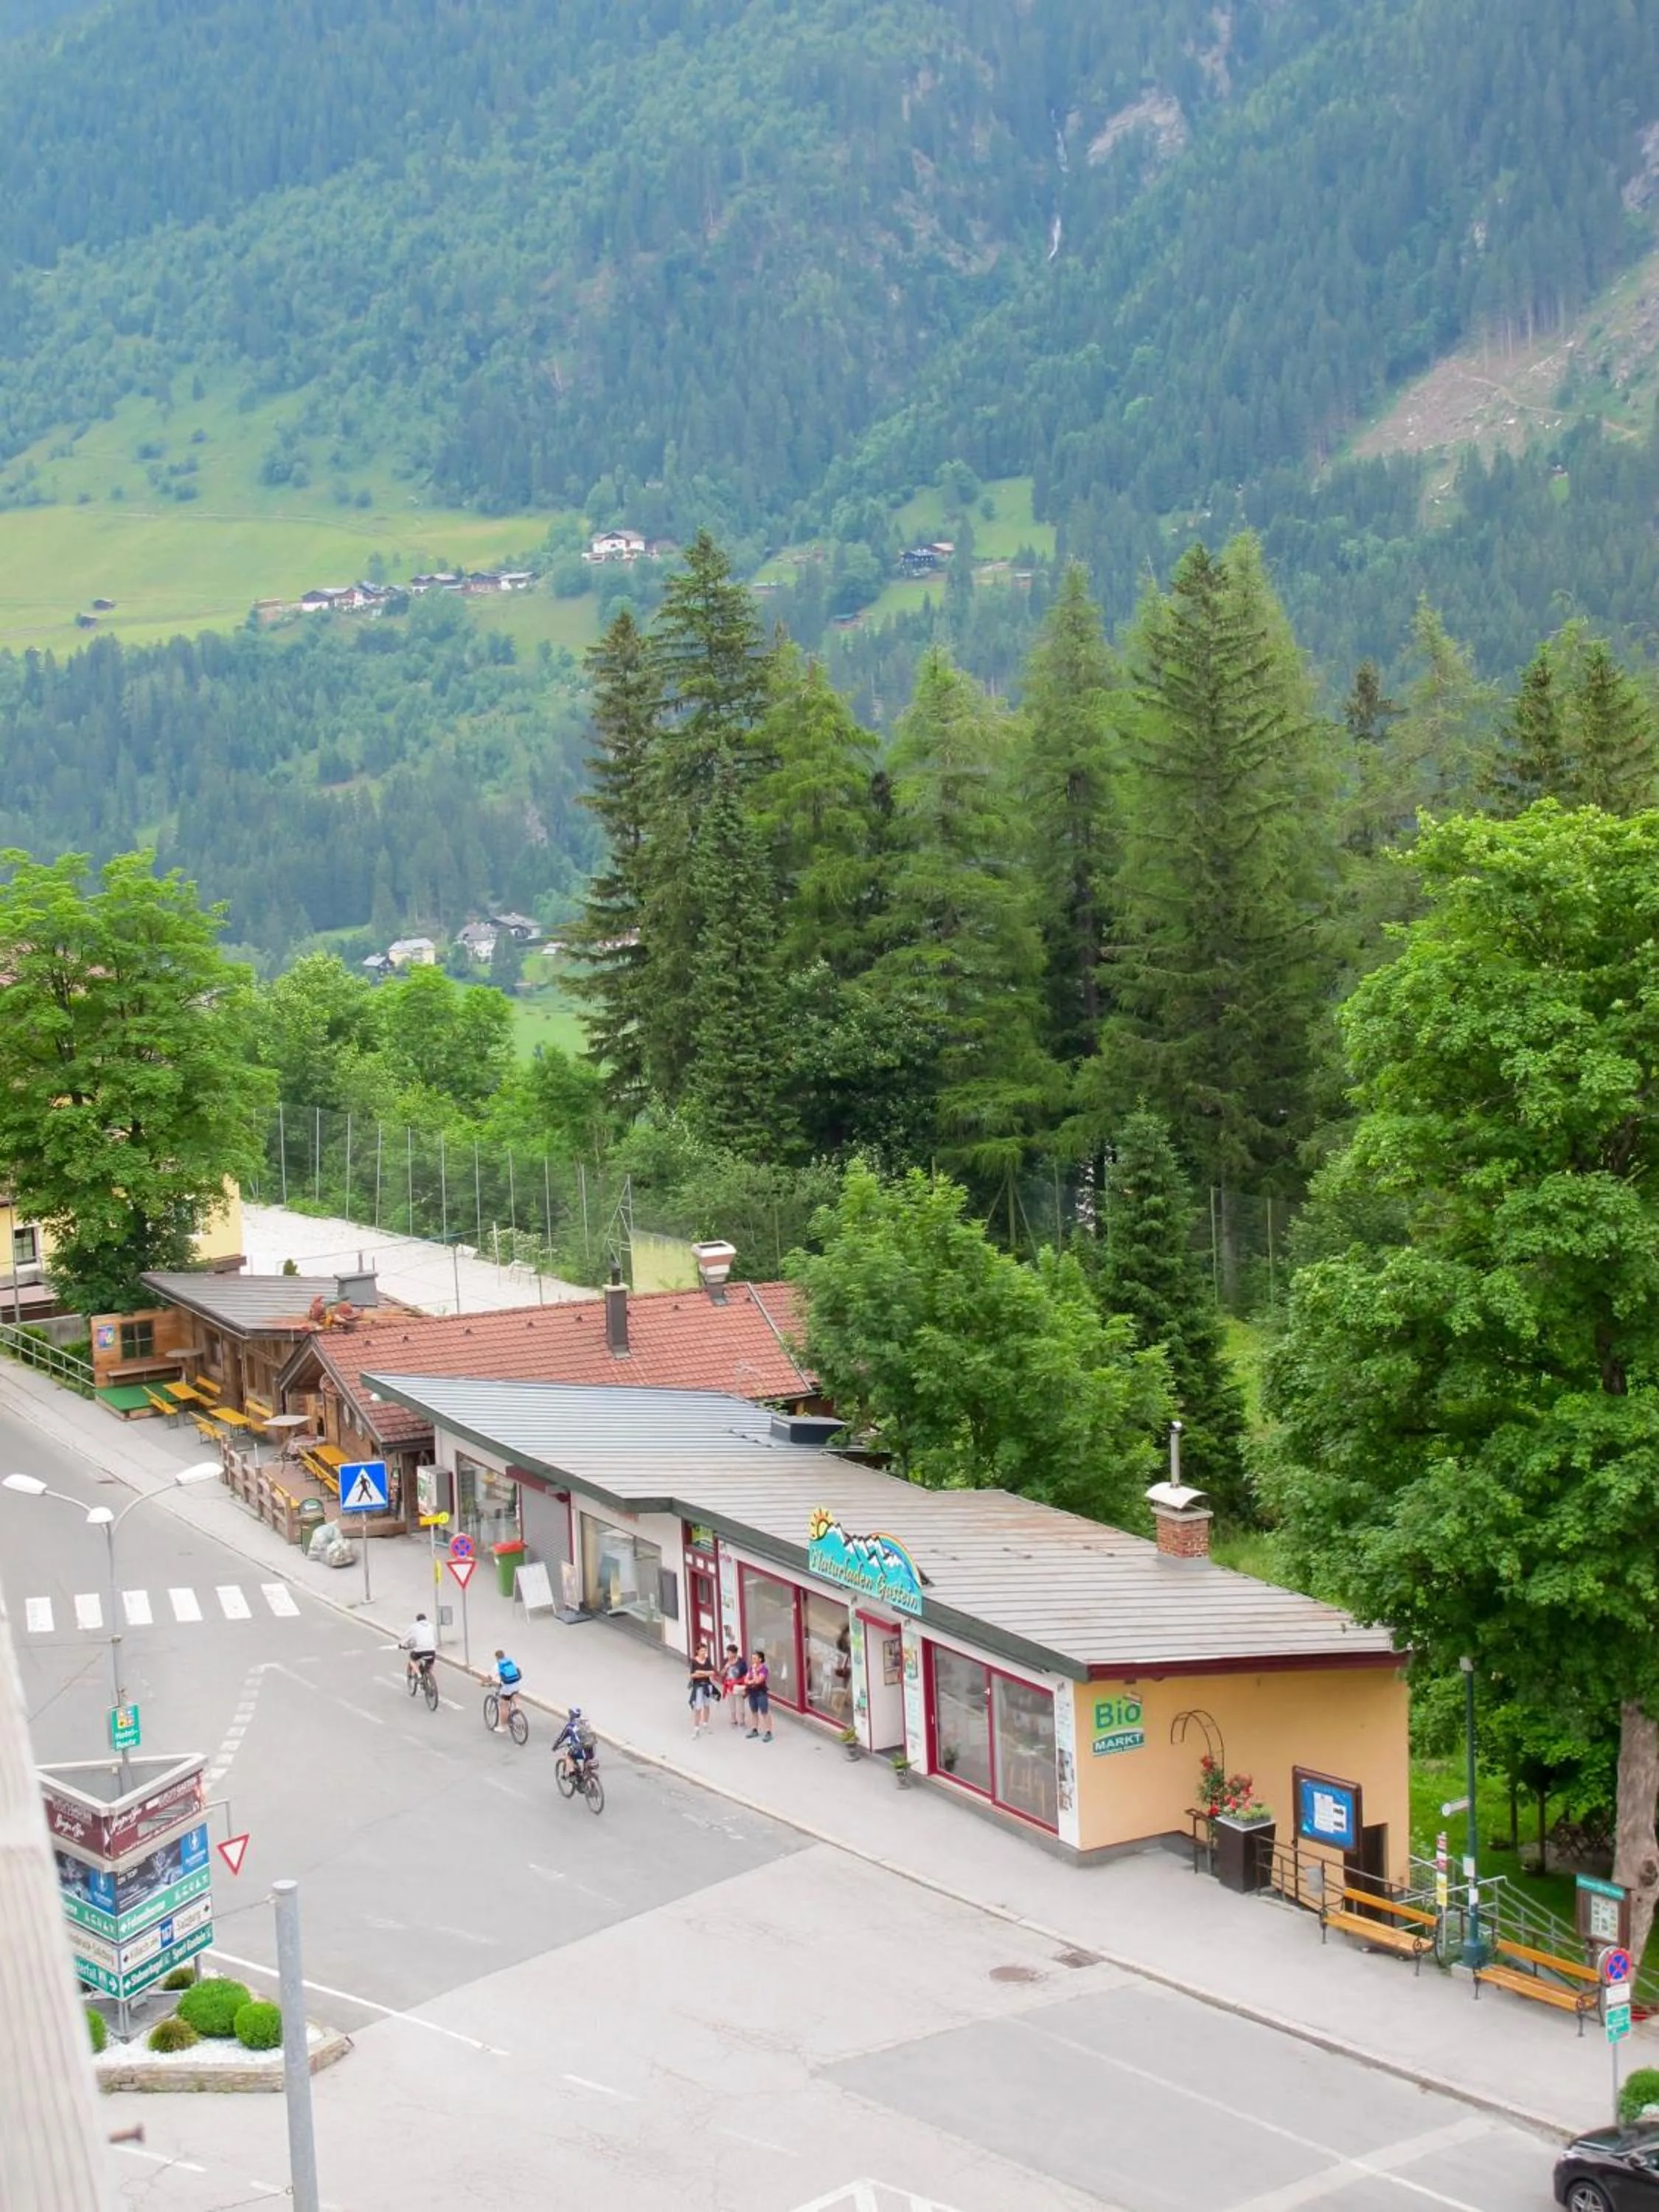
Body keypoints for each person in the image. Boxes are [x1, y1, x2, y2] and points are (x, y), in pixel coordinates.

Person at [552, 1705, 595, 1775]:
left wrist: (555, 1746)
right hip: (591, 1748)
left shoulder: (570, 1726)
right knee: (586, 1771)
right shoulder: (585, 1723)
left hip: (580, 1749)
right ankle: (590, 1780)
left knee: (567, 1755)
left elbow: (561, 1738)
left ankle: (572, 1772)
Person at [687, 1640, 717, 1737]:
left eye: (705, 1651)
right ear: (698, 1651)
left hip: (707, 1685)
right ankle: (696, 1727)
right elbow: (692, 1675)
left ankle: (705, 1723)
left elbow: (712, 1672)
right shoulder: (694, 1661)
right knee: (698, 1707)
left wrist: (701, 1672)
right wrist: (703, 1673)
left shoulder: (707, 1660)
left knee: (707, 1705)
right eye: (702, 1651)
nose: (704, 1653)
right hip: (698, 1687)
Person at [490, 1648, 523, 1732]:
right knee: (514, 1694)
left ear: (497, 1657)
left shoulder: (498, 1665)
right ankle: (518, 1707)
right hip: (516, 1683)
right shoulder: (511, 1661)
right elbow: (518, 1670)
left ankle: (502, 1727)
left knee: (503, 1706)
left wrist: (483, 1683)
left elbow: (490, 1677)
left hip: (507, 1686)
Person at [403, 1613, 437, 1690]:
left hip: (420, 1650)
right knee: (429, 1664)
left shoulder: (414, 1626)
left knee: (412, 1660)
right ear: (425, 1619)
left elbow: (408, 1636)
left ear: (417, 1620)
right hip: (432, 1650)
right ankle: (429, 1678)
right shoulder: (431, 1625)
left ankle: (419, 1676)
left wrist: (403, 1645)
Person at [745, 1646, 772, 1742]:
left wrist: (754, 1673)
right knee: (754, 1712)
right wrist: (751, 1680)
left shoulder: (764, 1669)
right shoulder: (750, 1668)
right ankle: (755, 1729)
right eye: (752, 1658)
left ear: (760, 1659)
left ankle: (769, 1732)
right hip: (752, 1693)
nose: (752, 1660)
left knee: (764, 1712)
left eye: (754, 1658)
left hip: (761, 1693)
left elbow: (759, 1681)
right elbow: (746, 1680)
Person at [722, 1640, 748, 1726]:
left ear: (734, 1653)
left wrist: (745, 1684)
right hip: (729, 1685)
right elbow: (722, 1673)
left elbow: (745, 1673)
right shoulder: (727, 1661)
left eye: (729, 1653)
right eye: (727, 1653)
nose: (728, 1655)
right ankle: (733, 1719)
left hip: (738, 1685)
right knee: (731, 1702)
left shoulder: (741, 1662)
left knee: (740, 1702)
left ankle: (742, 1720)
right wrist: (726, 1667)